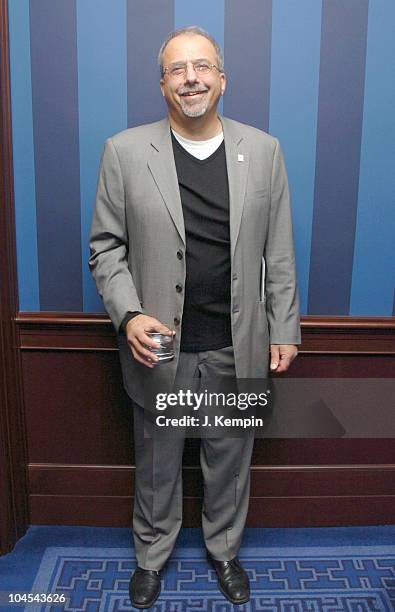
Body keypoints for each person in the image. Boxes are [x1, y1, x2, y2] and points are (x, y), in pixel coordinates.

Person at [89, 25, 300, 608]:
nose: (191, 79)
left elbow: (277, 249)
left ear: (221, 79)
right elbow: (105, 248)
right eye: (178, 70)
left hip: (237, 343)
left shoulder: (264, 151)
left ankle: (224, 551)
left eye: (202, 67)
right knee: (157, 462)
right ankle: (151, 557)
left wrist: (283, 329)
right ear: (162, 85)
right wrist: (128, 315)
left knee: (230, 460)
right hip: (160, 347)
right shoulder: (125, 152)